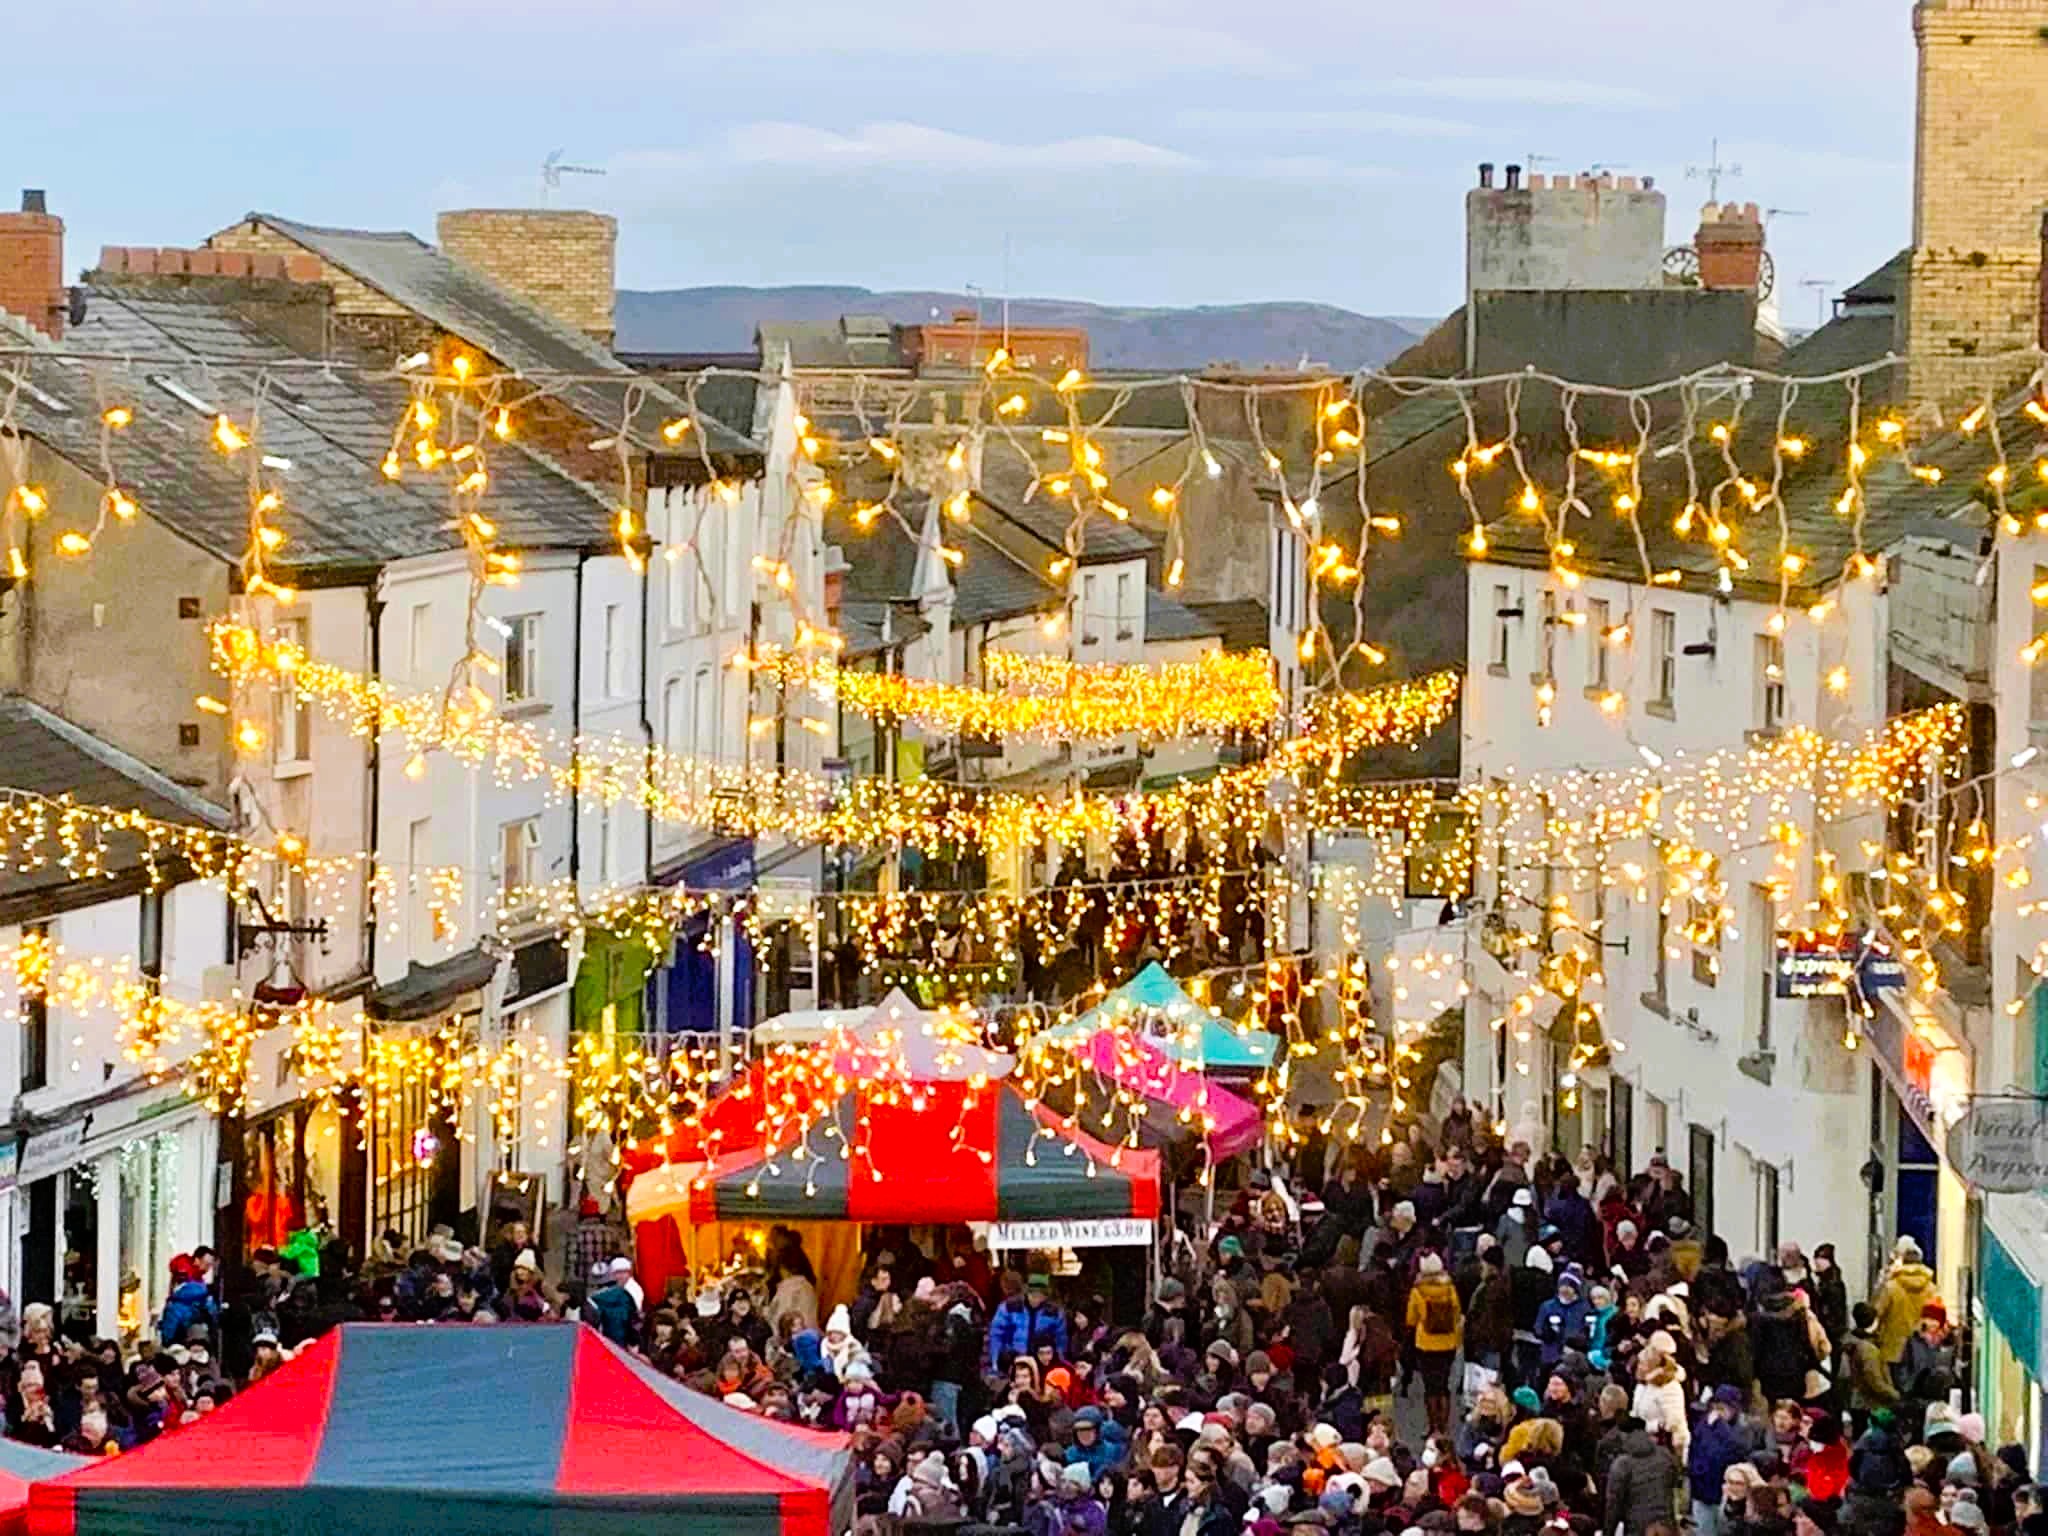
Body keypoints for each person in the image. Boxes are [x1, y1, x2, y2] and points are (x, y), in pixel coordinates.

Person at [1406, 1252, 1463, 1435]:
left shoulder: (1418, 1291)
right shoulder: (1450, 1288)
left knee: (1430, 1387)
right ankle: (1444, 1427)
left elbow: (1411, 1319)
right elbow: (1456, 1314)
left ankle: (1433, 1428)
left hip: (1426, 1344)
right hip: (1448, 1343)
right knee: (1444, 1385)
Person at [1874, 1238, 1938, 1375]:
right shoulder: (1931, 1289)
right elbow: (1935, 1319)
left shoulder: (1891, 1287)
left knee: (1895, 1388)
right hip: (1921, 1348)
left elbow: (1878, 1313)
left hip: (1893, 1349)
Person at [1607, 1425, 1681, 1536]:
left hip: (1637, 1528)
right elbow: (1674, 1483)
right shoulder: (1665, 1456)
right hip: (1666, 1525)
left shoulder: (1622, 1465)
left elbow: (1613, 1505)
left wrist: (1608, 1532)